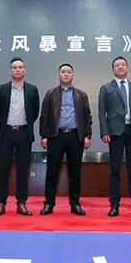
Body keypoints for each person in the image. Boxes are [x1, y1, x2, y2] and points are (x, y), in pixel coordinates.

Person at [97, 56, 131, 217]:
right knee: (115, 169)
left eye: (123, 64)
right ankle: (114, 205)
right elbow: (101, 112)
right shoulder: (106, 88)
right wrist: (104, 131)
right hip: (115, 132)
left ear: (127, 67)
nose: (120, 67)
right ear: (113, 69)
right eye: (117, 65)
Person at [39, 63, 92, 216]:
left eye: (69, 72)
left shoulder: (81, 95)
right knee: (52, 172)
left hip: (75, 136)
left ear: (72, 75)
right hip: (56, 136)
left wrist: (87, 135)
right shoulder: (51, 94)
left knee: (75, 172)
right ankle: (49, 203)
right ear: (59, 75)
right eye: (63, 71)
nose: (66, 74)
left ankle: (75, 204)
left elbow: (87, 117)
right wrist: (44, 136)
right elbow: (44, 116)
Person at [0, 57, 40, 216]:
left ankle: (21, 203)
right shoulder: (2, 89)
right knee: (3, 170)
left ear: (24, 70)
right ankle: (1, 203)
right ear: (10, 71)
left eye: (20, 67)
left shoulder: (32, 89)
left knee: (23, 169)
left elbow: (34, 112)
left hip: (24, 133)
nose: (18, 70)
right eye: (14, 67)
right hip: (6, 133)